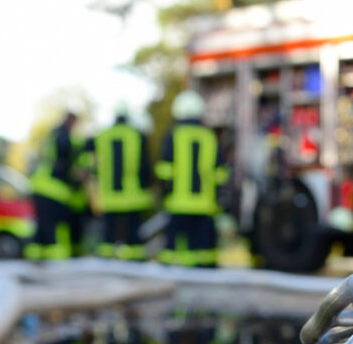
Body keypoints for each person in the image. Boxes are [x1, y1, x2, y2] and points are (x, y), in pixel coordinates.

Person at [155, 90, 228, 268]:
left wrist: (166, 194)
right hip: (205, 207)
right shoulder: (209, 137)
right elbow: (221, 174)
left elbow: (163, 171)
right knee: (205, 255)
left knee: (173, 254)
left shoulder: (172, 136)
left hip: (178, 206)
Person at [92, 102, 153, 260]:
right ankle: (134, 263)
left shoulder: (103, 135)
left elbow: (92, 162)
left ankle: (106, 263)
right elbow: (145, 166)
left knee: (108, 235)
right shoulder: (137, 135)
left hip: (109, 196)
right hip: (132, 196)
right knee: (133, 236)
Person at [25, 109, 81, 260]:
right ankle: (54, 258)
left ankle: (35, 256)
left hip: (40, 184)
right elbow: (66, 161)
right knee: (54, 227)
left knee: (42, 225)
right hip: (52, 188)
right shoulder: (64, 136)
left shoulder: (53, 133)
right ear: (71, 120)